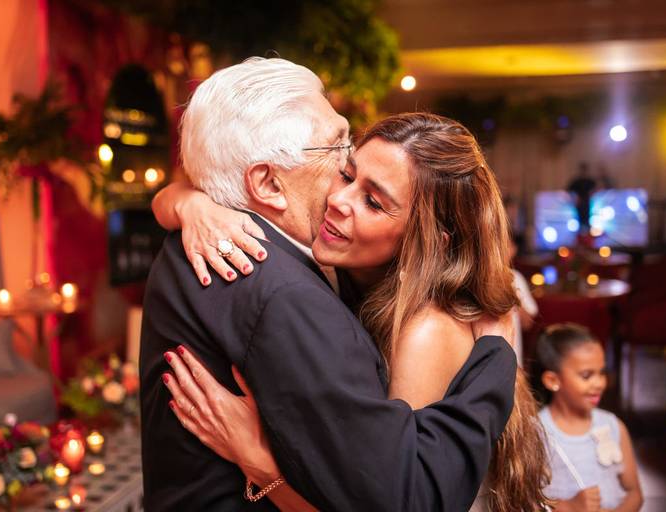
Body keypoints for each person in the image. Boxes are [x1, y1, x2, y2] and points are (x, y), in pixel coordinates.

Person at [140, 57, 519, 512]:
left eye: (372, 199)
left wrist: (260, 463)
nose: (342, 187)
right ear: (268, 183)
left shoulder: (203, 247)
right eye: (339, 151)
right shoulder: (283, 290)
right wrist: (186, 201)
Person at [535, 324, 643, 512]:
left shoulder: (613, 426)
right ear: (553, 381)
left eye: (602, 372)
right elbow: (524, 500)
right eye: (586, 376)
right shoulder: (536, 431)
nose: (599, 383)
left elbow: (634, 493)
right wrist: (568, 507)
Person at [509, 232, 538, 366]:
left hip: (512, 356)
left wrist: (512, 299)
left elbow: (528, 324)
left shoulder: (515, 278)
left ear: (513, 249)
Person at [567, 162, 596, 232]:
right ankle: (580, 232)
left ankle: (588, 232)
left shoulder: (589, 181)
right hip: (580, 202)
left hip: (587, 202)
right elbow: (569, 190)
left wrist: (591, 195)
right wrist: (575, 198)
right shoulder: (577, 181)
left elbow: (596, 188)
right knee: (579, 217)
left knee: (588, 217)